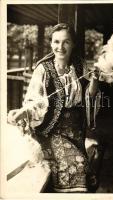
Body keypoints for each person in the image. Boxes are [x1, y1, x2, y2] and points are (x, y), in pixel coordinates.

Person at [8, 23, 102, 193]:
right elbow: (34, 101)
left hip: (77, 132)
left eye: (66, 42)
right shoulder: (43, 69)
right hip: (51, 131)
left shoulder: (80, 66)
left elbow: (90, 96)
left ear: (73, 44)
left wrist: (95, 80)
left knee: (87, 172)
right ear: (51, 43)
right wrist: (23, 112)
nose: (60, 47)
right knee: (77, 168)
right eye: (56, 42)